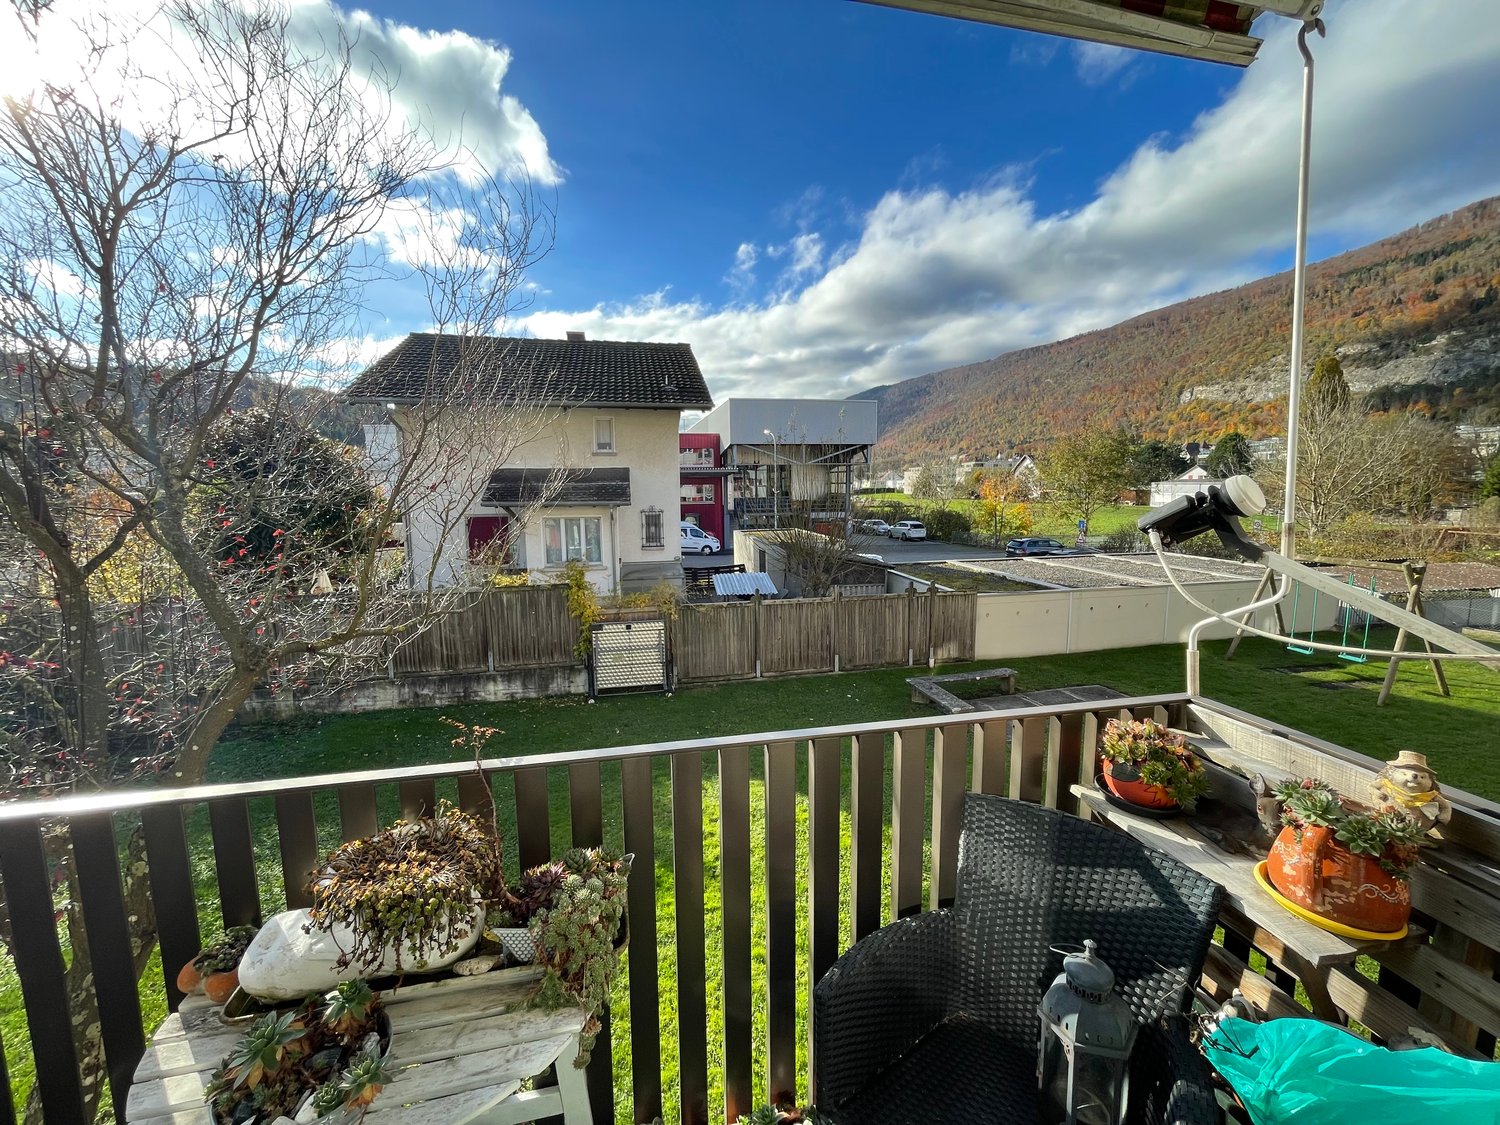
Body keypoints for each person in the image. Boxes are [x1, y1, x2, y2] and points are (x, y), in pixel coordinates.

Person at [1370, 750, 1452, 837]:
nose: (1415, 778)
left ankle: (1415, 837)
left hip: (1416, 829)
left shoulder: (1430, 795)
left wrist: (1445, 813)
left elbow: (1445, 805)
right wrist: (1375, 792)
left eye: (1422, 777)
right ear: (1392, 773)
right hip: (1387, 822)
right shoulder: (1386, 784)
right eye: (1404, 774)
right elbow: (1372, 786)